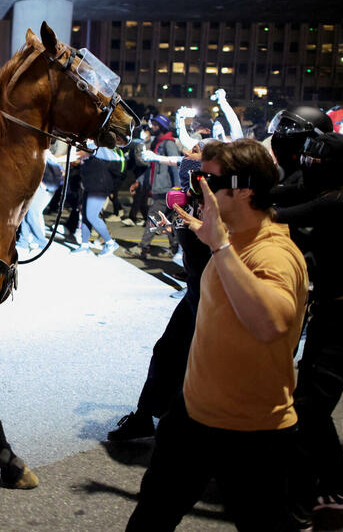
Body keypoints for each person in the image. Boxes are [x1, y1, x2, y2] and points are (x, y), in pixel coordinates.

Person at [127, 139, 309, 531]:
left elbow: (270, 324)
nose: (197, 185)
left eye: (207, 179)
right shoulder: (231, 236)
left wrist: (220, 245)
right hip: (192, 417)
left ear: (243, 188)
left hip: (251, 434)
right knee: (150, 520)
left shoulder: (272, 252)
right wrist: (203, 230)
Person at [272, 132, 343, 519]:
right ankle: (335, 491)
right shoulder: (329, 194)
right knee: (313, 411)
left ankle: (300, 507)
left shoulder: (341, 201)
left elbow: (278, 214)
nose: (307, 166)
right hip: (332, 318)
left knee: (306, 410)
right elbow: (280, 195)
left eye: (315, 161)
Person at [107, 140, 215, 442]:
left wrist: (193, 225)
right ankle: (145, 418)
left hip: (213, 297)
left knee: (196, 363)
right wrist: (173, 226)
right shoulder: (189, 195)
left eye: (194, 151)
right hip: (195, 291)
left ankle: (189, 431)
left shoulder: (215, 200)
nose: (185, 155)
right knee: (168, 351)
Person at [129, 114, 181, 259]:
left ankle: (142, 248)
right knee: (164, 221)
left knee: (152, 217)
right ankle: (175, 248)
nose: (152, 127)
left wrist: (177, 190)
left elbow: (175, 165)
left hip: (166, 190)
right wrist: (139, 181)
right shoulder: (158, 142)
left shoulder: (168, 144)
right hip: (159, 188)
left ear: (163, 127)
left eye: (156, 125)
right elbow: (151, 166)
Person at [72, 143, 122, 256]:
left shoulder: (97, 146)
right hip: (89, 186)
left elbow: (81, 154)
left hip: (99, 187)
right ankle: (84, 245)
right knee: (85, 215)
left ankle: (110, 243)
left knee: (91, 216)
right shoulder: (90, 146)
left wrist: (56, 158)